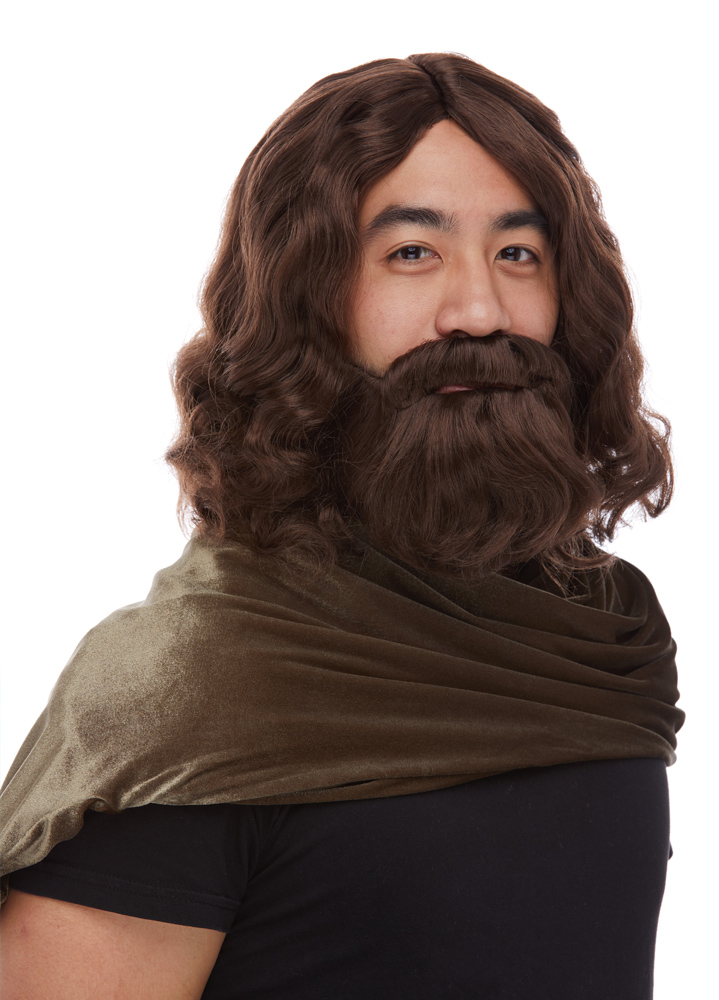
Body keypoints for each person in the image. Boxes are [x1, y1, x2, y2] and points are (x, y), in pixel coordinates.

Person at [0, 53, 684, 999]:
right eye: (412, 253)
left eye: (518, 254)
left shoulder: (601, 636)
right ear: (303, 297)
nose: (479, 310)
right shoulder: (193, 687)